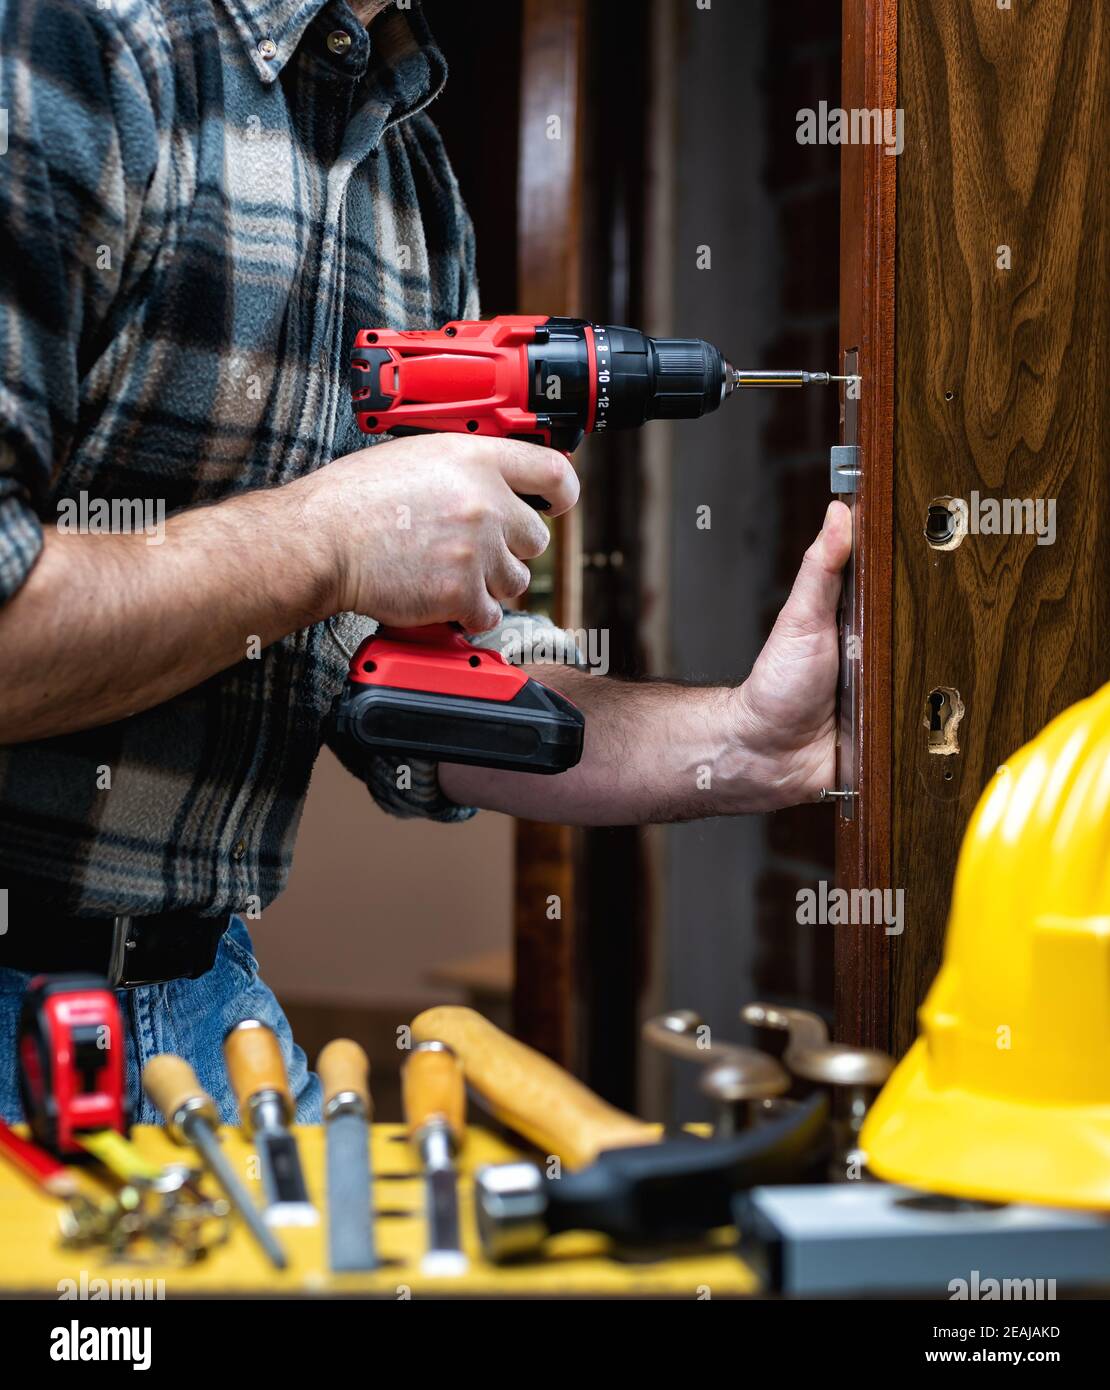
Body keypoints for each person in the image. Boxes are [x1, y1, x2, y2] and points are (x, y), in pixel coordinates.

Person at [0, 0, 851, 1121]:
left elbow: (414, 691)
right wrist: (331, 538)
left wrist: (747, 741)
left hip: (201, 1000)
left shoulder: (411, 177)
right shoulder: (70, 43)